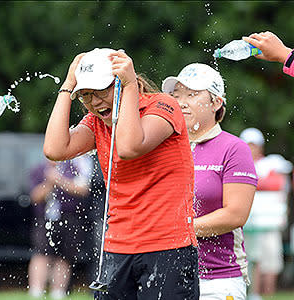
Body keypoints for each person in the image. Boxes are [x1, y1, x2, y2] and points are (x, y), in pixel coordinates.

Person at [43, 48, 199, 300]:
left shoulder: (163, 105)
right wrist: (67, 86)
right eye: (85, 95)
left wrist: (128, 85)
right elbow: (54, 149)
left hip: (169, 247)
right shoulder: (96, 122)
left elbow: (129, 147)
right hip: (117, 247)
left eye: (102, 91)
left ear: (126, 81)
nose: (94, 102)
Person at [162, 63, 258, 300]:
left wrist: (175, 230)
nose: (181, 102)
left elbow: (235, 214)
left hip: (219, 279)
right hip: (166, 275)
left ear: (216, 102)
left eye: (192, 95)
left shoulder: (233, 148)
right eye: (176, 95)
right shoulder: (163, 146)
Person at [27, 155, 93, 299]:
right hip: (45, 218)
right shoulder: (39, 169)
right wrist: (49, 183)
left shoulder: (73, 168)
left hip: (70, 217)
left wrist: (59, 180)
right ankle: (36, 291)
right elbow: (35, 197)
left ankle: (58, 292)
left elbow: (83, 190)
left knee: (65, 256)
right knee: (42, 253)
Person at [239, 128, 293, 300]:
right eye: (248, 145)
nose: (251, 149)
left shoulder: (272, 162)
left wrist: (253, 182)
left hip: (269, 223)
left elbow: (277, 183)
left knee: (270, 264)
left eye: (254, 145)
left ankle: (266, 296)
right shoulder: (237, 163)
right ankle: (252, 295)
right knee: (249, 261)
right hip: (246, 224)